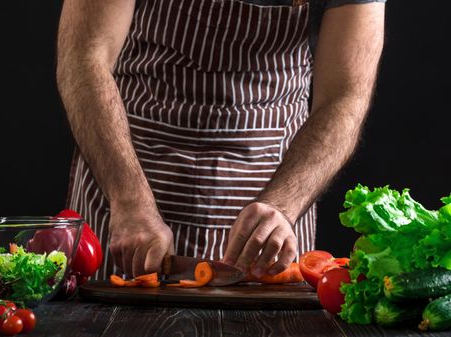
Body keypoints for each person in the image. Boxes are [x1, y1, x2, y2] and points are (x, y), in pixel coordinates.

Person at [56, 0, 385, 280]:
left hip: (270, 186)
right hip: (128, 180)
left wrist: (283, 205)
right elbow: (84, 57)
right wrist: (127, 198)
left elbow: (345, 95)